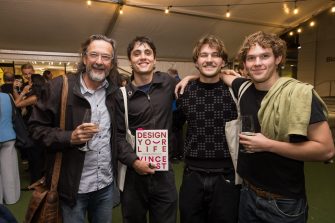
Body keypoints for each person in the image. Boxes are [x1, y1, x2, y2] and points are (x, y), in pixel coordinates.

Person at [222, 31, 335, 223]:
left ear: (278, 58)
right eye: (251, 58)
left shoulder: (299, 95)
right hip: (247, 194)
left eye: (264, 56)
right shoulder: (243, 87)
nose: (257, 63)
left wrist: (268, 145)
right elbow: (220, 73)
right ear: (245, 64)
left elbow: (325, 150)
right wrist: (189, 79)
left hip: (283, 203)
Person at [29, 34, 119, 223]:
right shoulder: (60, 87)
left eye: (106, 57)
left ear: (112, 63)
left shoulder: (113, 92)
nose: (99, 62)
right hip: (73, 190)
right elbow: (35, 129)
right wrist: (70, 137)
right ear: (85, 58)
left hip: (105, 186)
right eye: (94, 55)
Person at [174, 35, 240, 223]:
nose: (209, 59)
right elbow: (175, 125)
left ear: (223, 61)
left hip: (227, 176)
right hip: (192, 175)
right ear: (196, 62)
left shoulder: (235, 91)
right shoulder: (184, 91)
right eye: (204, 55)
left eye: (215, 55)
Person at [115, 36, 178, 223]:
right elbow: (117, 137)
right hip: (134, 176)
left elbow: (193, 86)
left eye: (147, 53)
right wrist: (134, 162)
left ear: (155, 59)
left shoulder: (167, 83)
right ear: (130, 61)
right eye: (137, 53)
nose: (143, 57)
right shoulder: (121, 96)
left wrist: (191, 77)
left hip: (164, 173)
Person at [0, 93, 20, 205]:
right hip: (9, 136)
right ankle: (11, 198)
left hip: (7, 136)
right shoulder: (8, 96)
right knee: (9, 169)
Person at [167, 68, 184, 161]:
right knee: (179, 133)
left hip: (174, 111)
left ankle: (174, 155)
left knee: (173, 133)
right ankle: (180, 154)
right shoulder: (182, 81)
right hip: (181, 111)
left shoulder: (173, 83)